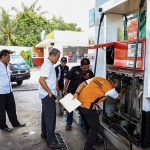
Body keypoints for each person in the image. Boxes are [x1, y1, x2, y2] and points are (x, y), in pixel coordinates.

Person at [74, 74, 127, 150]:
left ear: (109, 78)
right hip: (87, 107)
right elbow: (119, 97)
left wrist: (76, 93)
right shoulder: (110, 90)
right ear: (116, 83)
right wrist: (123, 91)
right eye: (118, 84)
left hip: (79, 103)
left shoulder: (98, 78)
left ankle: (94, 138)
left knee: (89, 124)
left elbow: (83, 83)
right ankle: (88, 147)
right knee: (95, 127)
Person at [39, 48, 63, 149]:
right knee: (50, 117)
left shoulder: (50, 64)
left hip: (47, 95)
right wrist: (49, 92)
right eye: (57, 57)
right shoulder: (47, 65)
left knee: (45, 114)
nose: (58, 59)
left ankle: (44, 133)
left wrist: (56, 85)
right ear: (53, 55)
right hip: (47, 95)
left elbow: (51, 78)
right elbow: (41, 80)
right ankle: (51, 140)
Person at [63, 58, 94, 131]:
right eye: (84, 68)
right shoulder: (74, 69)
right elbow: (67, 78)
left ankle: (83, 124)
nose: (86, 69)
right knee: (69, 108)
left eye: (88, 67)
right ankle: (68, 123)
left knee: (83, 110)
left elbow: (92, 84)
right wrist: (65, 88)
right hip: (72, 91)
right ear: (81, 66)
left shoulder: (90, 73)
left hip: (82, 94)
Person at [0, 49, 26, 132]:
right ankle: (3, 126)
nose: (9, 59)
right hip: (1, 92)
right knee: (1, 111)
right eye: (7, 57)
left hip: (9, 90)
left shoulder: (7, 65)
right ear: (2, 57)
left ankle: (15, 123)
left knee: (12, 108)